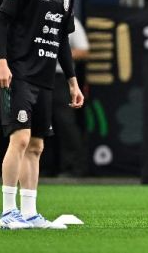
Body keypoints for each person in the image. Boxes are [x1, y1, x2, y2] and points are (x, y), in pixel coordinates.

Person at [0, 0, 86, 230]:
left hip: (46, 81)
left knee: (36, 146)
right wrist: (2, 63)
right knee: (19, 139)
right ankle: (8, 213)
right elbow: (0, 21)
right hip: (18, 74)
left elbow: (62, 43)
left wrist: (72, 82)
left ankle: (30, 213)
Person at [52, 17, 89, 177]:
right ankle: (40, 167)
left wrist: (54, 52)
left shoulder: (69, 20)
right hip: (32, 76)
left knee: (65, 122)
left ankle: (74, 167)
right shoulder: (33, 16)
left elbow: (83, 50)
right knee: (32, 123)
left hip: (60, 78)